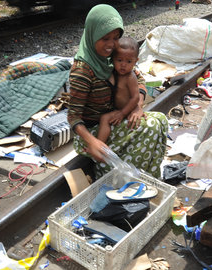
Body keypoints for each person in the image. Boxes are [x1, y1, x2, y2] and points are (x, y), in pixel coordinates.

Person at [67, 4, 168, 179]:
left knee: (161, 121)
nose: (111, 44)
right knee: (151, 127)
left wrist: (138, 106)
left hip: (113, 120)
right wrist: (95, 142)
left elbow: (139, 79)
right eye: (105, 38)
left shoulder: (111, 59)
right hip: (94, 133)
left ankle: (142, 177)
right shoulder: (83, 70)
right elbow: (73, 116)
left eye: (115, 38)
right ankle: (118, 177)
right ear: (92, 35)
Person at [97, 36, 140, 144]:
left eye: (129, 61)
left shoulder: (130, 77)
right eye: (119, 60)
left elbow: (135, 97)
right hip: (117, 109)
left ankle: (100, 145)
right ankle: (99, 145)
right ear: (113, 59)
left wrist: (122, 113)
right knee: (104, 118)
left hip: (128, 110)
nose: (123, 65)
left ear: (136, 61)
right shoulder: (113, 72)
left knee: (105, 118)